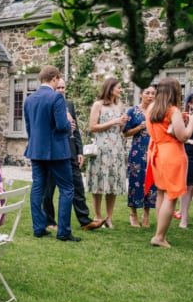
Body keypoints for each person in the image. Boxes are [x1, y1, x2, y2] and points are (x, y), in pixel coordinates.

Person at [23, 65, 78, 241]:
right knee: (67, 189)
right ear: (54, 78)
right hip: (57, 152)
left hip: (36, 150)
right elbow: (62, 126)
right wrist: (70, 124)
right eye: (58, 80)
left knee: (37, 188)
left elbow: (29, 128)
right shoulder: (56, 98)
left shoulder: (29, 99)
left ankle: (39, 227)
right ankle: (63, 232)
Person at [42, 80, 104, 232]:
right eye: (58, 88)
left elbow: (75, 131)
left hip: (70, 152)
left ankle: (85, 221)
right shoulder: (47, 104)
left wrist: (79, 151)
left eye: (63, 87)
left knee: (78, 186)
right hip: (53, 153)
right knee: (49, 189)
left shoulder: (69, 104)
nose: (61, 90)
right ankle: (49, 221)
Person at [146, 77, 193, 248]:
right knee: (171, 196)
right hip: (172, 154)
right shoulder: (173, 110)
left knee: (161, 192)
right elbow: (184, 136)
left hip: (156, 153)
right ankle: (159, 236)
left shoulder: (151, 108)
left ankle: (159, 232)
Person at [86, 77, 128, 228]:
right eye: (118, 87)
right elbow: (92, 127)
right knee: (98, 182)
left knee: (112, 182)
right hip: (101, 148)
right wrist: (114, 121)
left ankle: (109, 217)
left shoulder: (120, 106)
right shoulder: (98, 105)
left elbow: (120, 129)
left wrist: (122, 123)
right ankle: (97, 216)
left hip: (116, 147)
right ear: (110, 89)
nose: (121, 90)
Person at [123, 85, 157, 228]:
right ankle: (133, 213)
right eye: (147, 93)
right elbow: (125, 133)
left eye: (153, 93)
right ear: (141, 94)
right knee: (136, 181)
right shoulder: (133, 111)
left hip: (153, 151)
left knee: (151, 182)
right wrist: (140, 127)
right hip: (137, 151)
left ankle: (146, 213)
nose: (150, 96)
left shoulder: (157, 112)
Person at [179, 93, 193, 229]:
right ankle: (184, 218)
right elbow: (180, 135)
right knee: (188, 187)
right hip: (189, 152)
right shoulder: (185, 117)